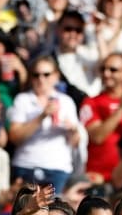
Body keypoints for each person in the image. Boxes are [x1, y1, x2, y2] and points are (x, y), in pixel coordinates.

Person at [7, 56, 81, 192]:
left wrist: (73, 131)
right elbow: (14, 137)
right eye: (36, 75)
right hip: (26, 165)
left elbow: (75, 142)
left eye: (46, 74)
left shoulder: (66, 101)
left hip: (57, 168)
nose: (41, 79)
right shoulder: (22, 100)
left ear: (56, 76)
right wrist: (42, 116)